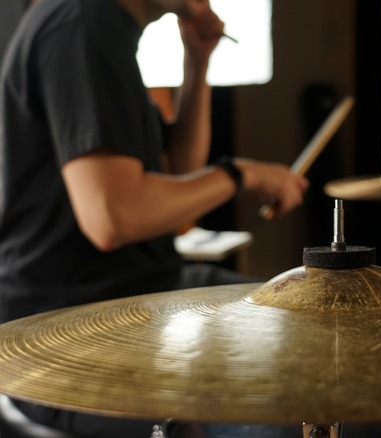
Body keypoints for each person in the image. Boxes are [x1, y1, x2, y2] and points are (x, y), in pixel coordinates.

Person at [0, 0, 308, 435]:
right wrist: (239, 173)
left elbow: (179, 173)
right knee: (275, 412)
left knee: (311, 326)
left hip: (142, 297)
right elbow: (113, 216)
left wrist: (197, 63)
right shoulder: (84, 24)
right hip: (68, 333)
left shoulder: (109, 29)